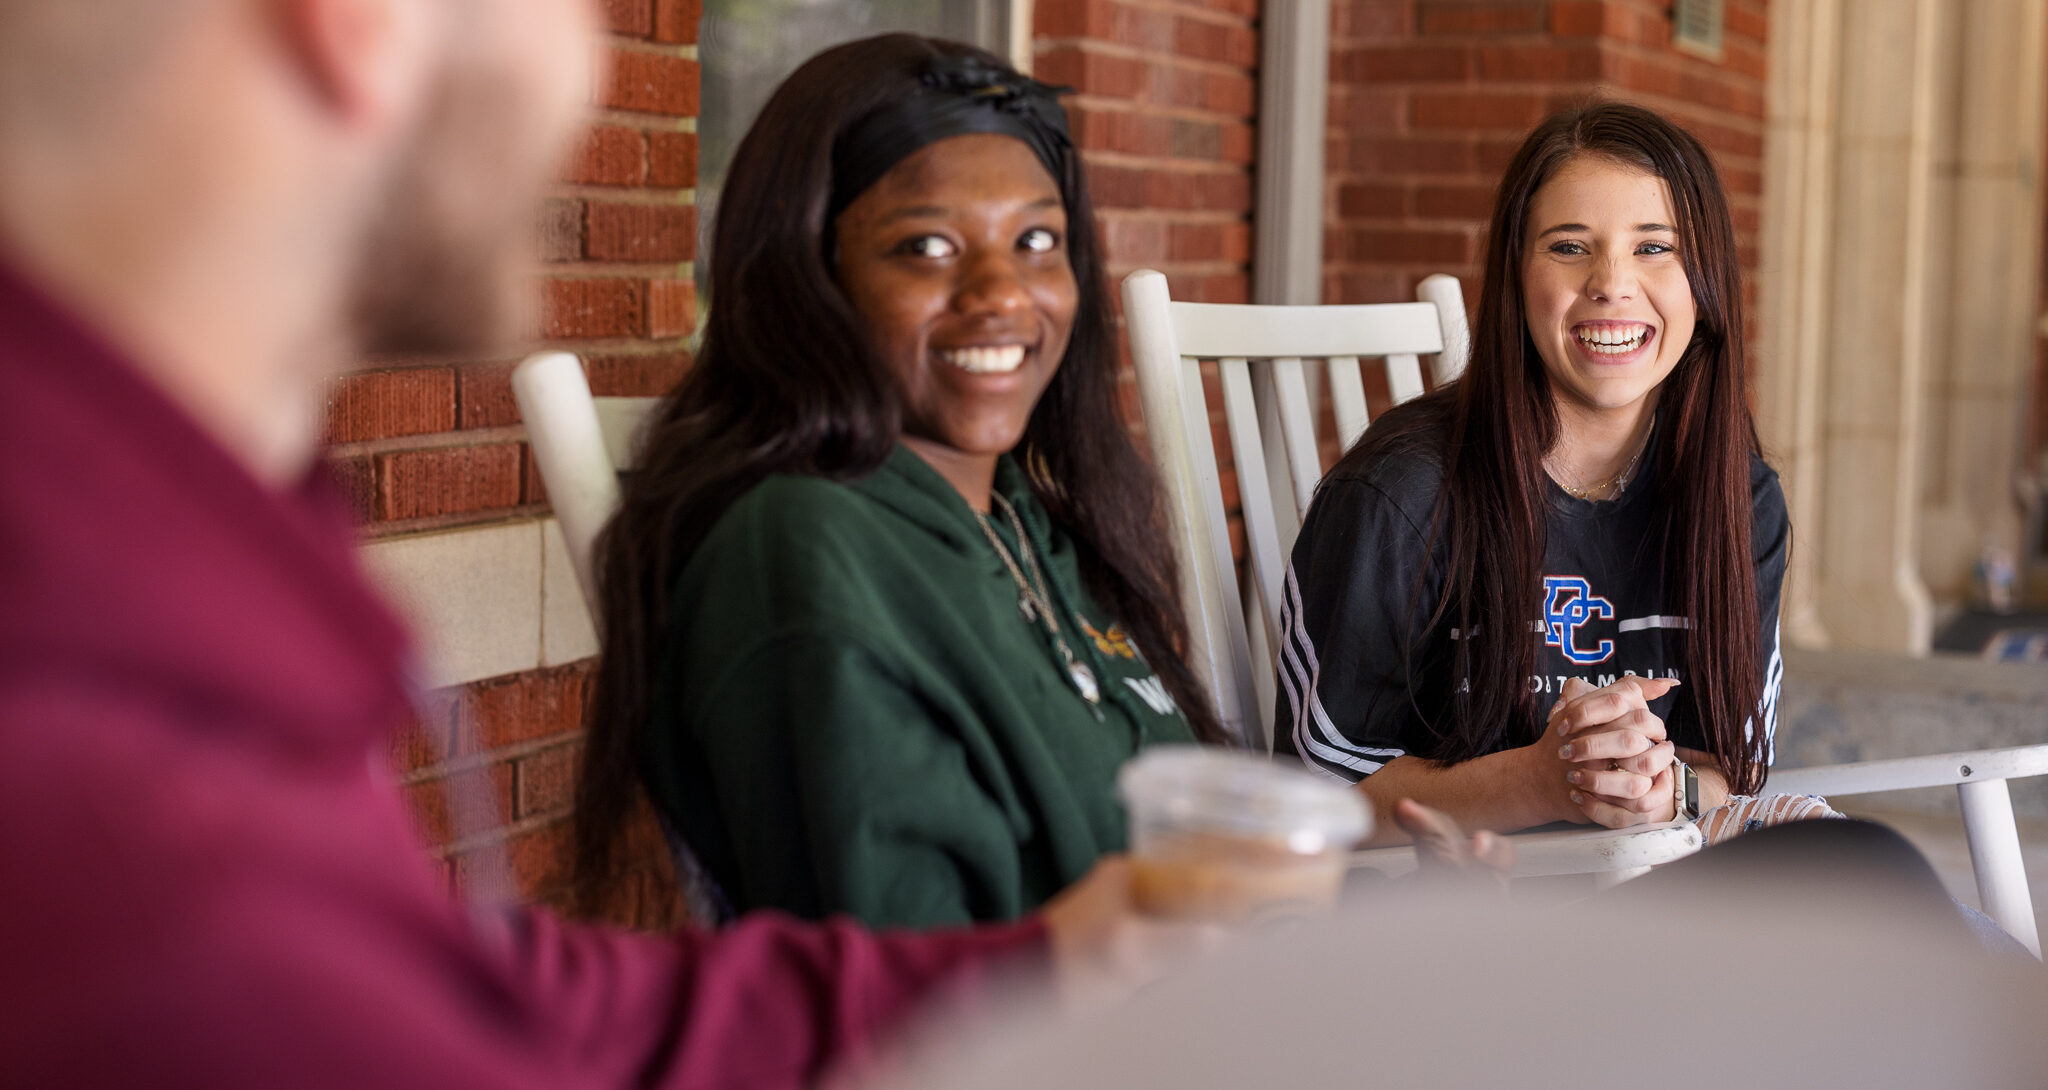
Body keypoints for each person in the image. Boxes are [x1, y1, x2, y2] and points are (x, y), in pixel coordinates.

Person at [0, 4, 1195, 1086]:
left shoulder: (179, 604)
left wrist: (1048, 962)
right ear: (360, 25)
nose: (588, 61)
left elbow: (510, 993)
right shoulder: (120, 803)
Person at [573, 34, 1233, 931]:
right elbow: (914, 1006)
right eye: (926, 246)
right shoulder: (804, 556)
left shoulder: (1026, 521)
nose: (1002, 292)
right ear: (809, 274)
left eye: (1038, 240)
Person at [1278, 102, 1789, 843]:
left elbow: (1728, 768)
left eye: (1654, 249)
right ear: (1516, 278)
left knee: (1874, 877)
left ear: (1704, 283)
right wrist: (1549, 780)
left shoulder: (1740, 502)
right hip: (1457, 917)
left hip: (1658, 896)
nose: (1611, 283)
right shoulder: (1402, 496)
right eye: (1569, 247)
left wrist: (1656, 784)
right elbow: (1315, 793)